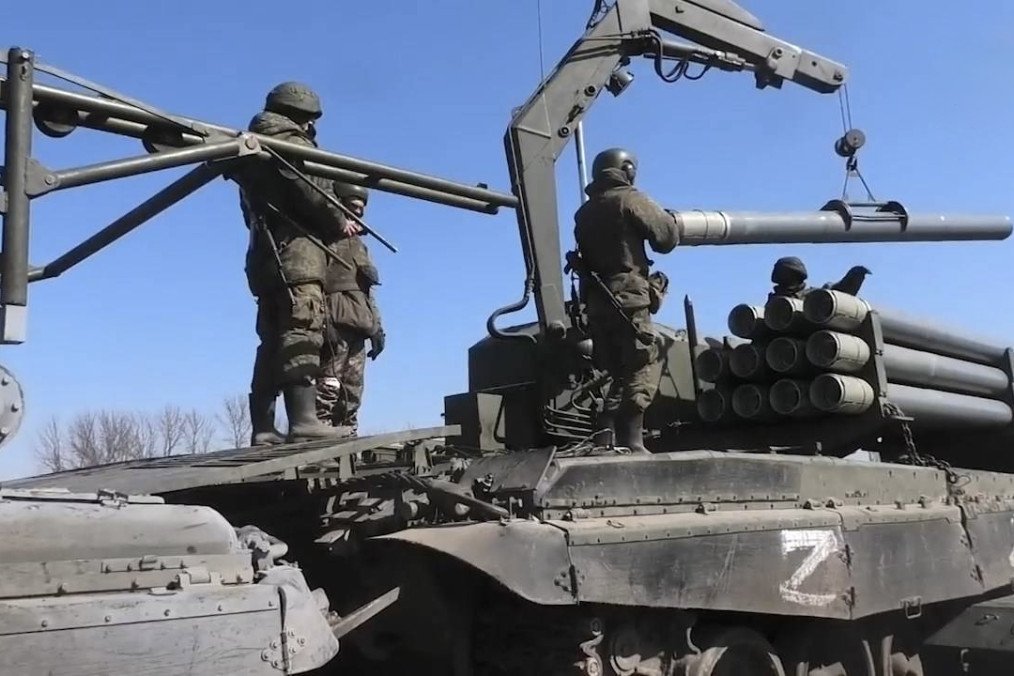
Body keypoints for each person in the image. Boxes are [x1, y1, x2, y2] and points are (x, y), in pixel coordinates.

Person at [237, 81, 359, 445]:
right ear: (304, 116)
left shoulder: (250, 149)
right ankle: (304, 420)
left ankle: (263, 427)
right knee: (303, 330)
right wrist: (339, 221)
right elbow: (313, 193)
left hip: (264, 257)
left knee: (272, 341)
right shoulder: (293, 145)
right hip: (298, 255)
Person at [572, 147, 679, 453]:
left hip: (598, 301)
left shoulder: (585, 212)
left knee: (615, 372)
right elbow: (665, 238)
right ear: (627, 168)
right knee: (641, 367)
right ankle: (633, 443)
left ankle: (605, 440)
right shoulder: (630, 199)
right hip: (629, 300)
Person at [315, 182, 385, 435]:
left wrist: (378, 330)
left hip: (360, 323)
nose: (359, 213)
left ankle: (347, 440)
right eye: (353, 207)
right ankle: (319, 440)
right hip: (334, 320)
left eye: (362, 208)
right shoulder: (323, 238)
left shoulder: (360, 246)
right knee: (329, 385)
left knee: (352, 389)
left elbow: (368, 293)